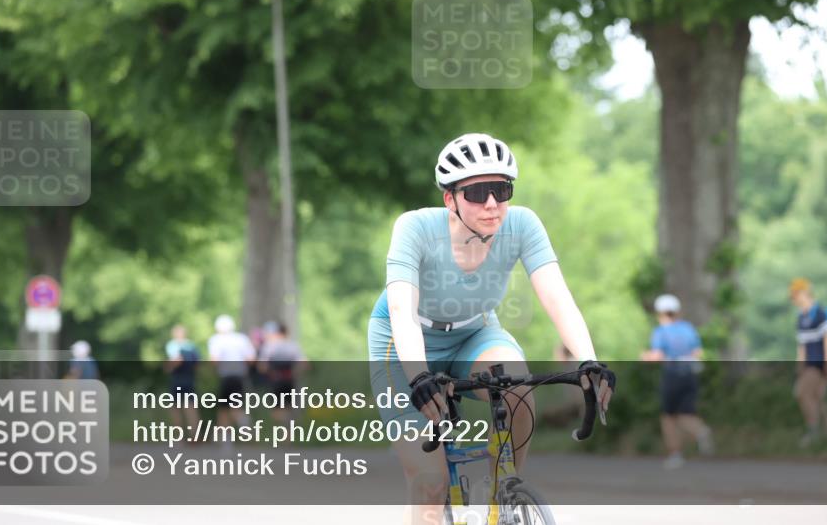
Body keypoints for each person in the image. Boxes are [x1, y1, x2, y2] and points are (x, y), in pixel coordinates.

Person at [367, 133, 612, 525]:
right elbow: (402, 311)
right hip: (405, 341)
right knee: (429, 483)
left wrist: (589, 360)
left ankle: (507, 491)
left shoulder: (523, 225)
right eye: (478, 192)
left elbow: (558, 298)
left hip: (474, 331)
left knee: (517, 384)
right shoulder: (414, 228)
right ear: (450, 199)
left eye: (501, 189)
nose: (492, 204)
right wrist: (419, 377)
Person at [640, 294, 713, 469]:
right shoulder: (688, 328)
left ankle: (676, 454)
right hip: (690, 374)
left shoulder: (661, 331)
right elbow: (698, 352)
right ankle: (700, 430)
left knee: (669, 417)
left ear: (660, 313)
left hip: (672, 375)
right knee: (686, 413)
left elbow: (657, 356)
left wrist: (646, 357)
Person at [790, 277, 827, 447]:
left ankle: (814, 430)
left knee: (802, 393)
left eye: (795, 295)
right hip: (809, 365)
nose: (793, 300)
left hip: (818, 364)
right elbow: (802, 345)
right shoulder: (801, 318)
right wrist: (799, 365)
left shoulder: (820, 313)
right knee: (817, 398)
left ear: (803, 293)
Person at [207, 314, 256, 442]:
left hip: (226, 377)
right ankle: (239, 425)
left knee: (224, 409)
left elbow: (214, 360)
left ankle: (230, 435)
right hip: (240, 376)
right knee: (234, 405)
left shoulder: (216, 339)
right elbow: (251, 359)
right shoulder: (241, 339)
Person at [257, 321, 308, 425]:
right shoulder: (293, 346)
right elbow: (304, 364)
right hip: (290, 381)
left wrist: (269, 372)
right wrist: (295, 372)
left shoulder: (270, 346)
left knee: (277, 411)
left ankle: (287, 424)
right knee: (288, 408)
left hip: (276, 381)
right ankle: (288, 435)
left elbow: (262, 366)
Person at [164, 324, 200, 430]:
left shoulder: (174, 346)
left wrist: (168, 367)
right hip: (188, 379)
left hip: (179, 380)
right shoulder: (192, 346)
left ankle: (184, 436)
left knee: (177, 408)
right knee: (189, 407)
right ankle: (194, 434)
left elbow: (176, 361)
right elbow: (197, 364)